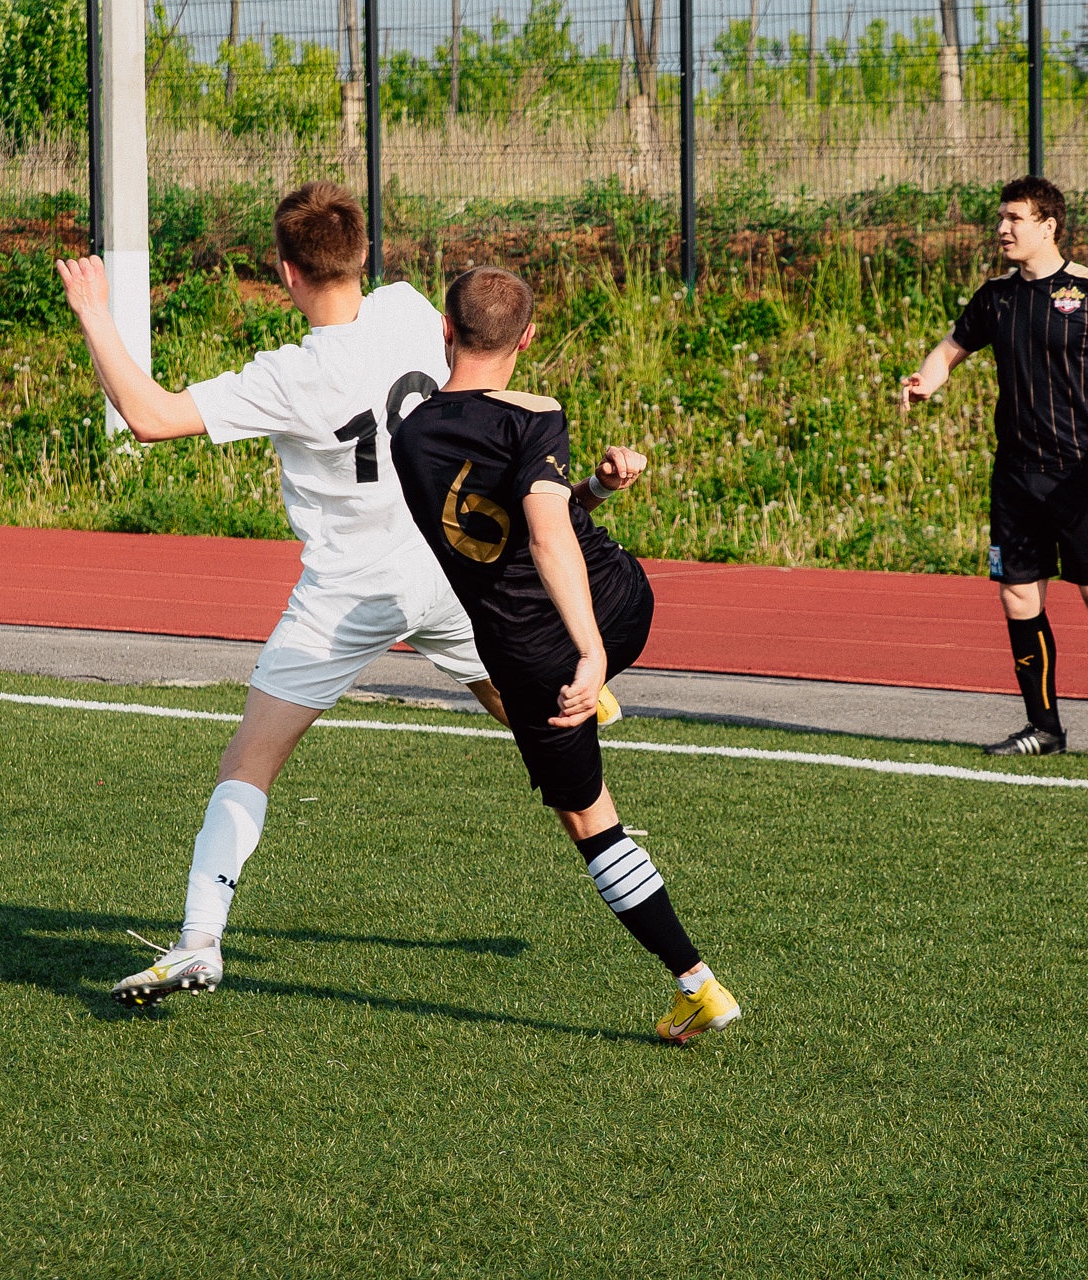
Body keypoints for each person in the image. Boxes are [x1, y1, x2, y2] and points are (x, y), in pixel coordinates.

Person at [54, 181, 511, 1007]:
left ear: (286, 271)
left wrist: (93, 314)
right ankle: (588, 771)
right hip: (441, 568)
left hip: (349, 596)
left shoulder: (292, 374)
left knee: (249, 762)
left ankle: (199, 941)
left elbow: (149, 416)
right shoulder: (411, 309)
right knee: (530, 709)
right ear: (364, 255)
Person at [388, 266, 740, 1044]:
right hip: (625, 600)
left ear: (445, 330)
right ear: (528, 338)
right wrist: (599, 489)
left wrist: (586, 656)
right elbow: (541, 518)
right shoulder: (538, 411)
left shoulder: (408, 437)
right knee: (579, 708)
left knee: (587, 818)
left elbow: (537, 534)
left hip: (541, 657)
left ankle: (697, 986)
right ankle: (596, 683)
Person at [899, 175, 1088, 764]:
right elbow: (949, 350)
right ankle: (1045, 729)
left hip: (1078, 476)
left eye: (1014, 218)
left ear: (1048, 225)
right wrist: (926, 381)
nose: (1002, 229)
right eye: (1001, 218)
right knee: (1018, 597)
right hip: (1014, 477)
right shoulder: (995, 297)